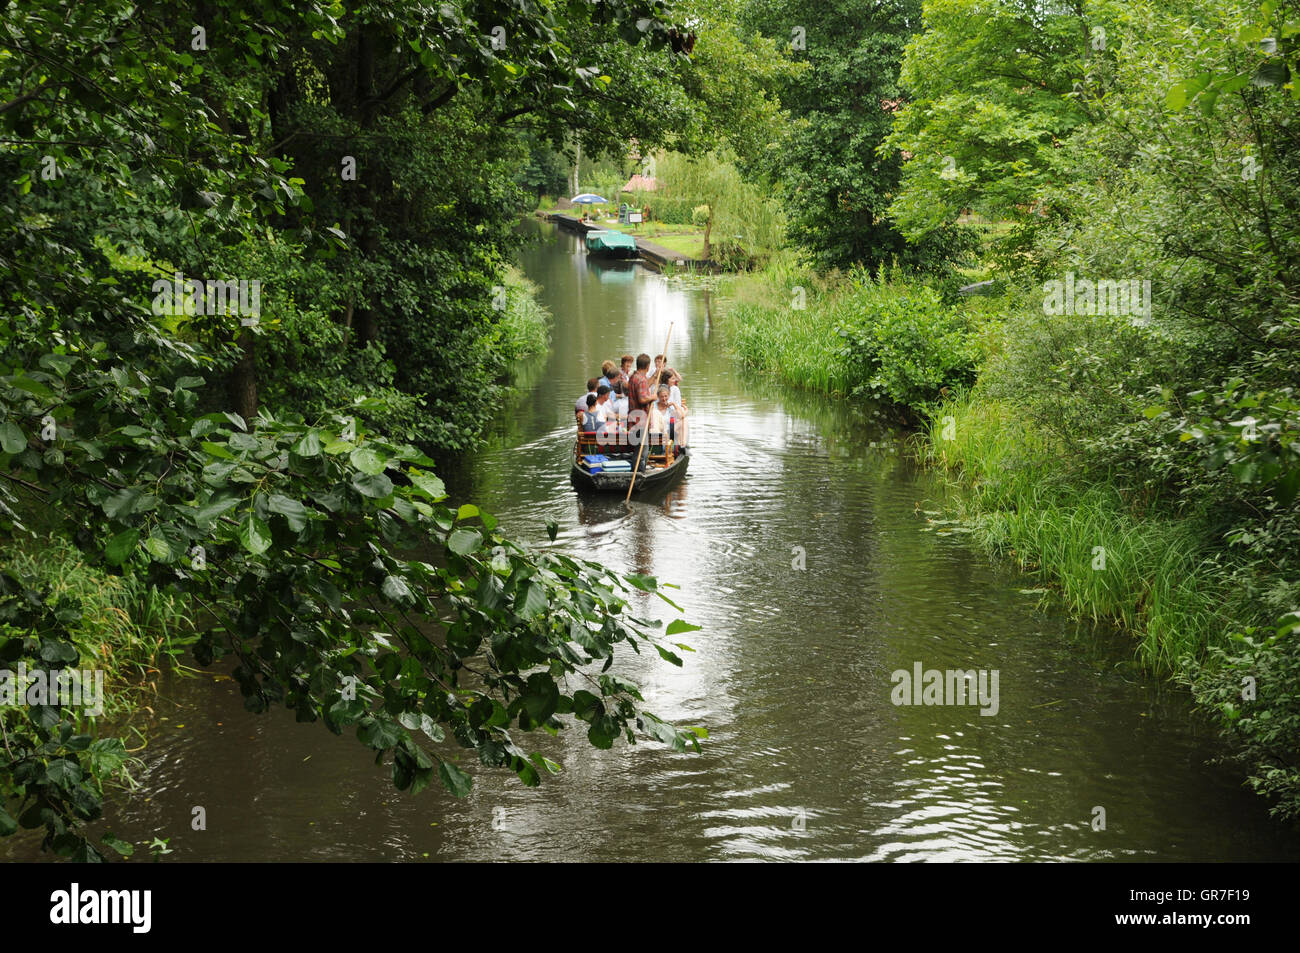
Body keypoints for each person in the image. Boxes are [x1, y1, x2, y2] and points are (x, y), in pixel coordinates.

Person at [627, 354, 655, 470]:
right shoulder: (641, 380)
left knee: (639, 449)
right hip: (641, 421)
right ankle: (639, 472)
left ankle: (637, 471)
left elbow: (642, 388)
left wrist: (654, 377)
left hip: (634, 419)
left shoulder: (633, 377)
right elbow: (642, 399)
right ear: (648, 366)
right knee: (642, 451)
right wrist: (652, 397)